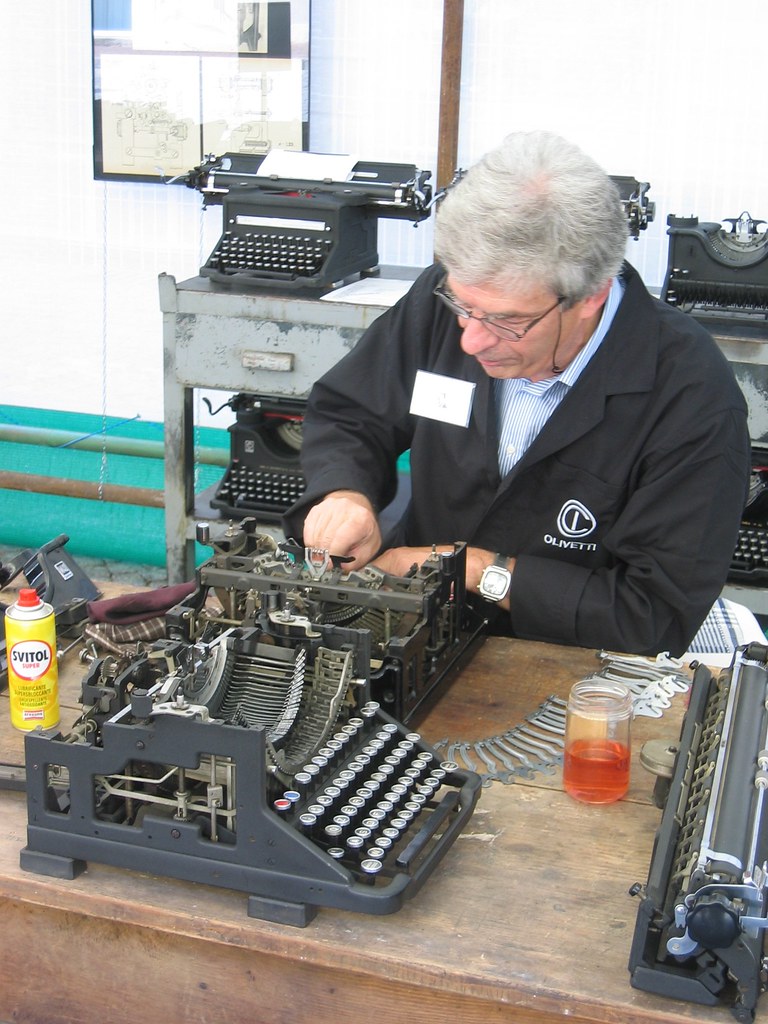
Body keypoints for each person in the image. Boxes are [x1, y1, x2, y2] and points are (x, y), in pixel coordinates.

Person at [283, 130, 751, 657]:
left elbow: (653, 613)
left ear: (590, 296)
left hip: (570, 667)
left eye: (507, 321)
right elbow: (352, 412)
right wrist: (346, 494)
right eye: (462, 306)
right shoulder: (455, 301)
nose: (471, 338)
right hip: (417, 634)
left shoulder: (691, 396)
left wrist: (479, 570)